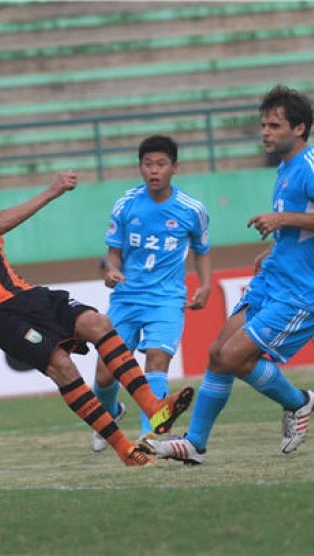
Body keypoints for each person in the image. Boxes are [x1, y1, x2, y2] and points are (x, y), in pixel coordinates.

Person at [0, 127, 196, 467]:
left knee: (96, 322)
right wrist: (51, 191)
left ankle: (154, 407)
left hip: (21, 294)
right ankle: (123, 448)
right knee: (62, 366)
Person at [145, 84, 314, 464]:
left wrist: (281, 219)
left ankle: (297, 402)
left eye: (274, 125)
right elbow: (306, 230)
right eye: (263, 125)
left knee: (235, 356)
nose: (265, 133)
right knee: (218, 353)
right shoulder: (288, 168)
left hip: (300, 293)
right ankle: (195, 444)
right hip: (273, 281)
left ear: (300, 128)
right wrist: (275, 247)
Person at [91, 135, 212, 454]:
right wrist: (112, 270)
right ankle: (110, 414)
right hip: (127, 299)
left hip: (166, 300)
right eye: (148, 164)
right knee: (105, 373)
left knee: (157, 360)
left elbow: (202, 249)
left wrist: (206, 284)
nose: (153, 170)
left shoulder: (192, 209)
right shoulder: (126, 204)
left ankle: (150, 436)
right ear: (140, 167)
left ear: (174, 167)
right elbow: (113, 253)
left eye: (160, 164)